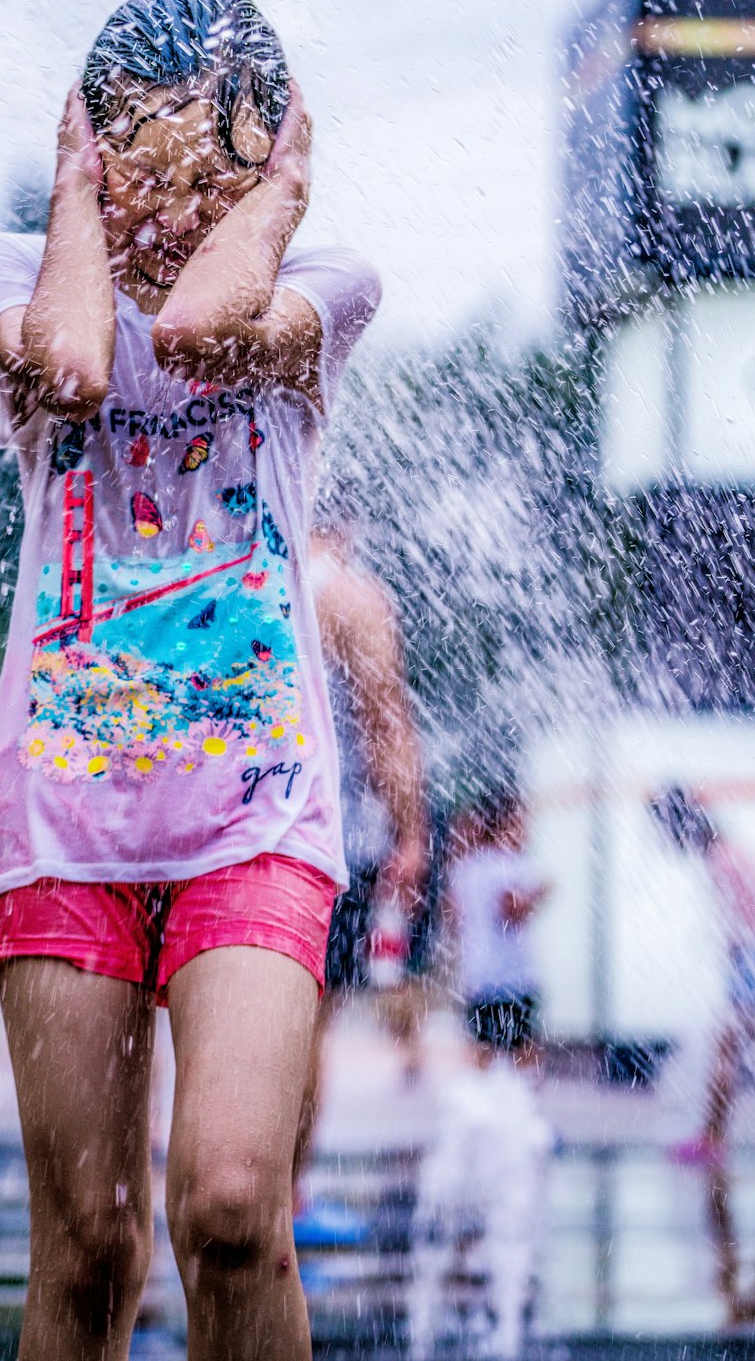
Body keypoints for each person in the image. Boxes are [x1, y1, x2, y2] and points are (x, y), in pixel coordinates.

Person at [0, 0, 381, 1361]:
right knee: (86, 1238)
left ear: (271, 173)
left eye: (213, 177)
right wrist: (74, 200)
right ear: (87, 153)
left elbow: (200, 334)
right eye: (139, 166)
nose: (173, 208)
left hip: (252, 819)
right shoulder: (10, 273)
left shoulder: (323, 287)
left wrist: (281, 196)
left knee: (233, 1200)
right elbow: (75, 367)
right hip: (64, 827)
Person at [292, 516, 429, 1231]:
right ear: (343, 522)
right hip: (322, 845)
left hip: (224, 834)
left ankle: (202, 1182)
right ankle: (285, 1196)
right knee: (305, 1026)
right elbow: (385, 720)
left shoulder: (238, 572)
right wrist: (411, 829)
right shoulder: (350, 597)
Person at [649, 786, 755, 1322]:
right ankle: (720, 1136)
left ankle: (714, 1138)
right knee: (750, 1052)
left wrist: (738, 965)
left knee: (735, 1053)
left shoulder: (722, 859)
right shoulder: (730, 852)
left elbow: (740, 924)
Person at [445, 788, 548, 1068]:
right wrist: (539, 893)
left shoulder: (466, 867)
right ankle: (522, 1104)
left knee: (482, 1051)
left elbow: (453, 917)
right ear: (505, 824)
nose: (525, 829)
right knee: (525, 1051)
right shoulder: (510, 865)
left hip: (478, 976)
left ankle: (481, 1103)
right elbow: (511, 910)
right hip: (513, 977)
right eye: (520, 822)